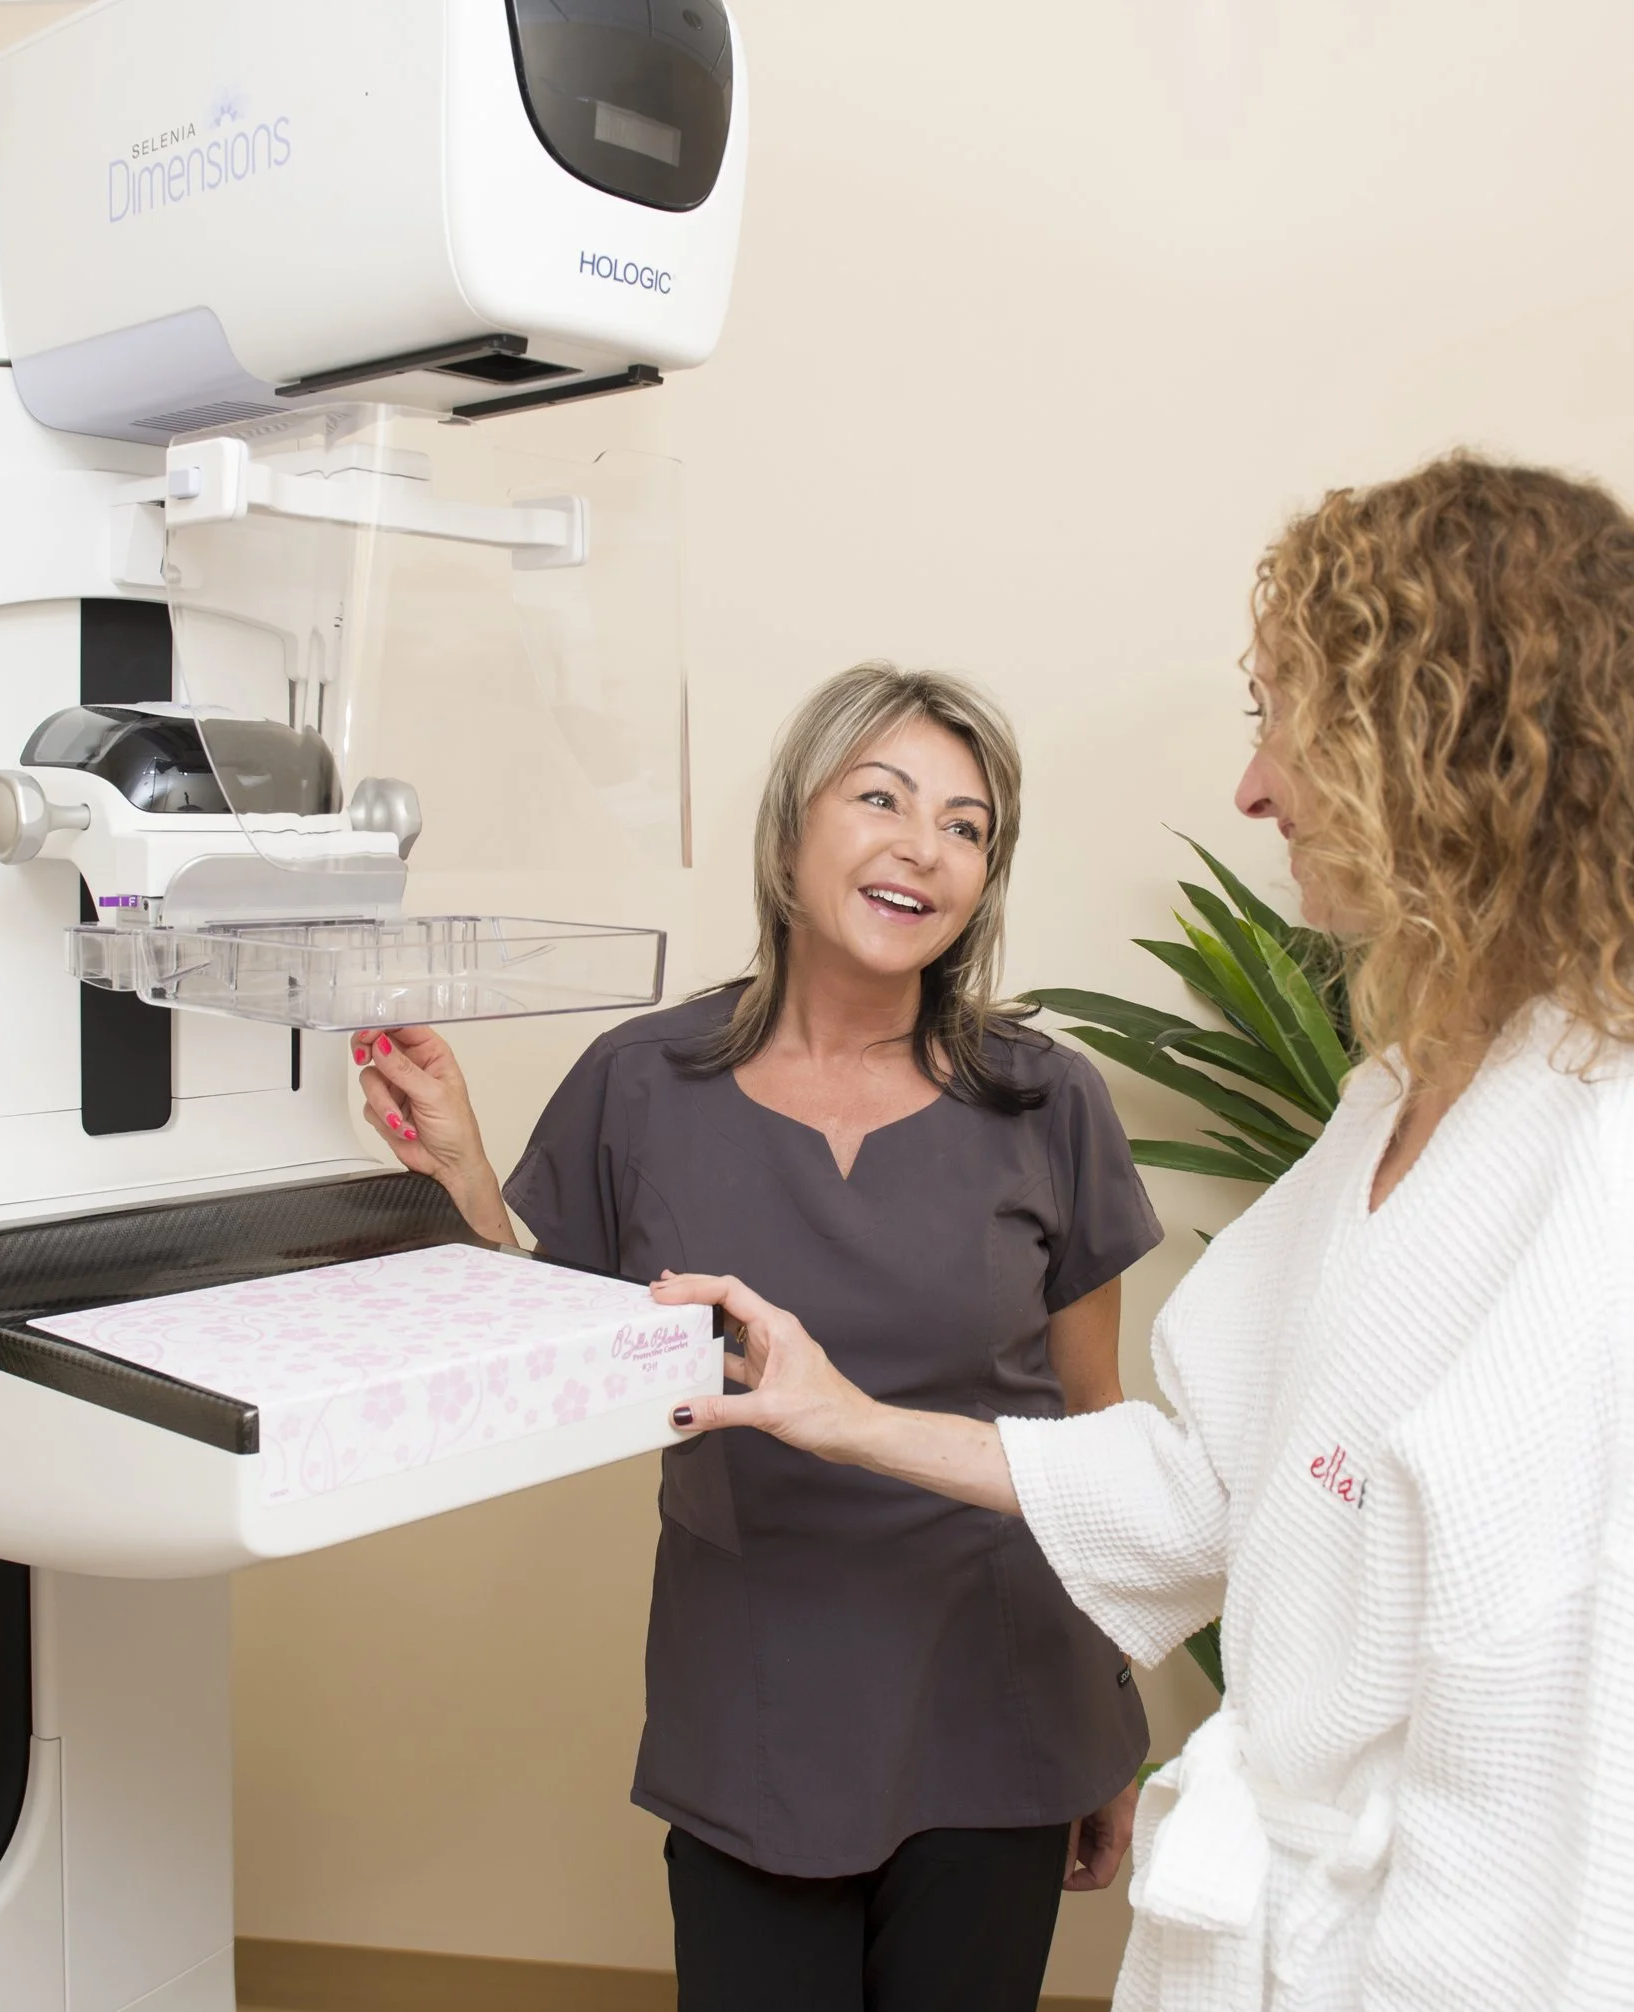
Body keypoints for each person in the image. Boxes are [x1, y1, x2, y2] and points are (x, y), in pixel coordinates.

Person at [648, 457, 1634, 2012]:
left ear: (1437, 745)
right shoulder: (1401, 1104)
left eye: (1282, 717)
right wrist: (850, 1419)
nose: (1254, 787)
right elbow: (1214, 1482)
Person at [351, 663, 1164, 2012]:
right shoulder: (642, 1082)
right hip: (756, 1696)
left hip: (998, 1687)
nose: (925, 846)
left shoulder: (1047, 1101)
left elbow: (1096, 1429)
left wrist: (1111, 1723)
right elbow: (557, 1358)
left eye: (968, 826)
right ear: (792, 829)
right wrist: (466, 1178)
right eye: (883, 799)